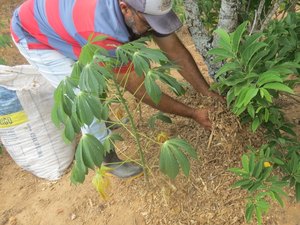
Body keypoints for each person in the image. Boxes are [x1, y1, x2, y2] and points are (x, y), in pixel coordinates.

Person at [10, 0, 222, 178]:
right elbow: (139, 89)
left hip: (63, 20)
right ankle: (106, 155)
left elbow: (175, 51)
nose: (151, 29)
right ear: (124, 8)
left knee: (96, 73)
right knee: (83, 95)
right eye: (148, 22)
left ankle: (106, 121)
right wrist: (193, 114)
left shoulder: (144, 7)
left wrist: (208, 94)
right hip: (34, 35)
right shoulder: (100, 30)